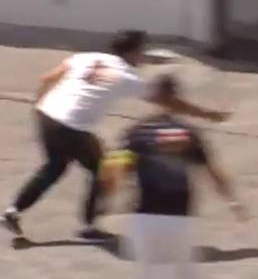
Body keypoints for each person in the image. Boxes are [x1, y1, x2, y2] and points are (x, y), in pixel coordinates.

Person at [2, 30, 230, 240]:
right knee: (103, 168)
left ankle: (13, 211)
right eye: (141, 52)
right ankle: (89, 227)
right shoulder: (124, 76)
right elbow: (168, 101)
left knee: (54, 167)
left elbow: (46, 78)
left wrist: (39, 103)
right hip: (71, 126)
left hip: (46, 116)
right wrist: (208, 114)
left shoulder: (86, 58)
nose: (142, 57)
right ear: (131, 52)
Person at [99, 74, 247, 279]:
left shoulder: (135, 133)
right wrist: (233, 202)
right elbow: (213, 173)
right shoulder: (189, 135)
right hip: (181, 220)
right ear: (177, 97)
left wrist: (108, 194)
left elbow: (113, 170)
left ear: (153, 97)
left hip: (143, 216)